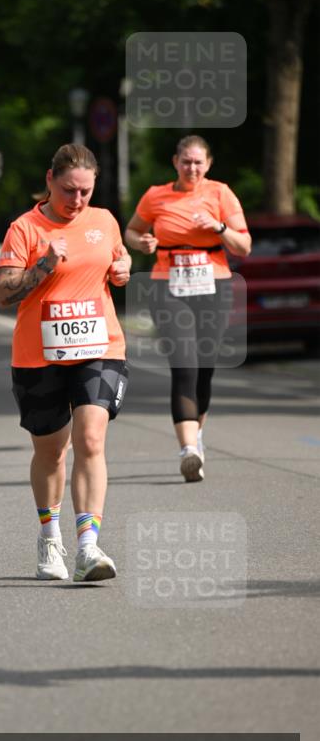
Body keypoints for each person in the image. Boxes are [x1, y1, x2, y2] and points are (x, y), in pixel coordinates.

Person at [0, 144, 130, 582]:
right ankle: (49, 536)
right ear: (50, 179)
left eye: (86, 192)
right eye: (69, 190)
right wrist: (46, 264)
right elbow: (4, 293)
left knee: (91, 438)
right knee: (51, 453)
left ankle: (88, 547)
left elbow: (118, 256)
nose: (77, 201)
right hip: (39, 354)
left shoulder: (104, 220)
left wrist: (123, 266)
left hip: (99, 346)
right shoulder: (25, 228)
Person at [125, 135, 251, 482]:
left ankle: (196, 436)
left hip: (214, 287)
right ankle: (188, 450)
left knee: (204, 368)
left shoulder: (220, 193)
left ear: (208, 164)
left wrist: (220, 227)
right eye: (186, 161)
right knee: (184, 365)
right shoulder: (156, 195)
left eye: (198, 162)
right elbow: (132, 231)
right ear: (175, 163)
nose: (191, 168)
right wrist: (143, 241)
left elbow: (244, 244)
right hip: (169, 286)